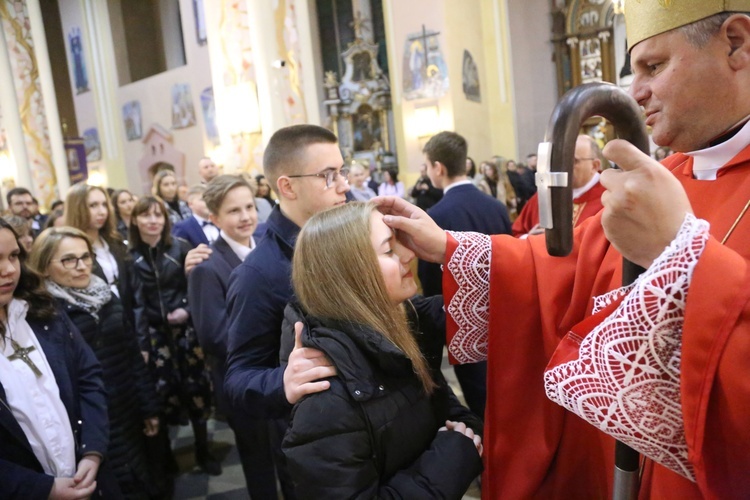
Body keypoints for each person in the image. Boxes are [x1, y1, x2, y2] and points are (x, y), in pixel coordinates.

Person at [375, 5, 750, 497]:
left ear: (736, 43)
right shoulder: (666, 180)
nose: (635, 92)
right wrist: (445, 245)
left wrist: (681, 250)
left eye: (653, 67)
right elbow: (570, 271)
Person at [280, 202, 483, 499]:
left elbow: (445, 407)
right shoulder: (327, 394)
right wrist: (453, 457)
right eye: (389, 250)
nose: (409, 254)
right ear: (350, 276)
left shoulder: (400, 331)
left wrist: (464, 436)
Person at [224, 124, 349, 498]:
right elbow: (238, 378)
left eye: (342, 171)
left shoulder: (342, 236)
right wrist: (283, 382)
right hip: (318, 451)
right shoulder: (258, 274)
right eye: (328, 176)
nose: (343, 184)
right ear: (287, 186)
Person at [29, 227, 162, 499]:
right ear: (43, 267)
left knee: (140, 478)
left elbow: (132, 355)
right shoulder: (44, 315)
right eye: (68, 260)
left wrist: (148, 406)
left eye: (86, 257)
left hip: (126, 407)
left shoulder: (106, 296)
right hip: (89, 420)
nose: (81, 266)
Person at [0, 218, 117, 499]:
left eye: (14, 256)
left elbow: (88, 377)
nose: (8, 270)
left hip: (87, 476)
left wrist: (92, 451)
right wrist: (43, 489)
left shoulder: (42, 311)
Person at [188, 175, 277, 498]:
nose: (246, 217)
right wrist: (273, 335)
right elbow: (214, 336)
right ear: (214, 219)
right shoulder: (207, 267)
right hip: (245, 383)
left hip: (279, 376)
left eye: (250, 207)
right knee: (259, 465)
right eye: (234, 211)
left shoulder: (268, 245)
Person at [417, 131, 511, 420]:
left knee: (479, 399)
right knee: (507, 391)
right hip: (505, 313)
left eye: (427, 166)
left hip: (463, 325)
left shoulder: (435, 215)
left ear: (438, 168)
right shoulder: (495, 206)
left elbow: (431, 279)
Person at [129, 196, 219, 477]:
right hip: (155, 334)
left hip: (185, 330)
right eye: (146, 215)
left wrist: (185, 310)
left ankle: (204, 451)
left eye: (158, 215)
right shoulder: (129, 257)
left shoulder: (180, 248)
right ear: (134, 220)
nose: (153, 220)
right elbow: (136, 304)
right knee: (163, 393)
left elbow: (198, 289)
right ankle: (166, 458)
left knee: (196, 390)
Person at [512, 135, 606, 237]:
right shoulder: (545, 194)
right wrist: (528, 239)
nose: (562, 167)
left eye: (573, 161)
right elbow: (517, 233)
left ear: (594, 166)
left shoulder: (609, 199)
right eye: (558, 160)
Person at [64, 183, 131, 315]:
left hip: (128, 317)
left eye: (104, 204)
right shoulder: (70, 250)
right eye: (93, 205)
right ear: (77, 209)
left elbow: (133, 287)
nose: (102, 212)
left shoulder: (115, 241)